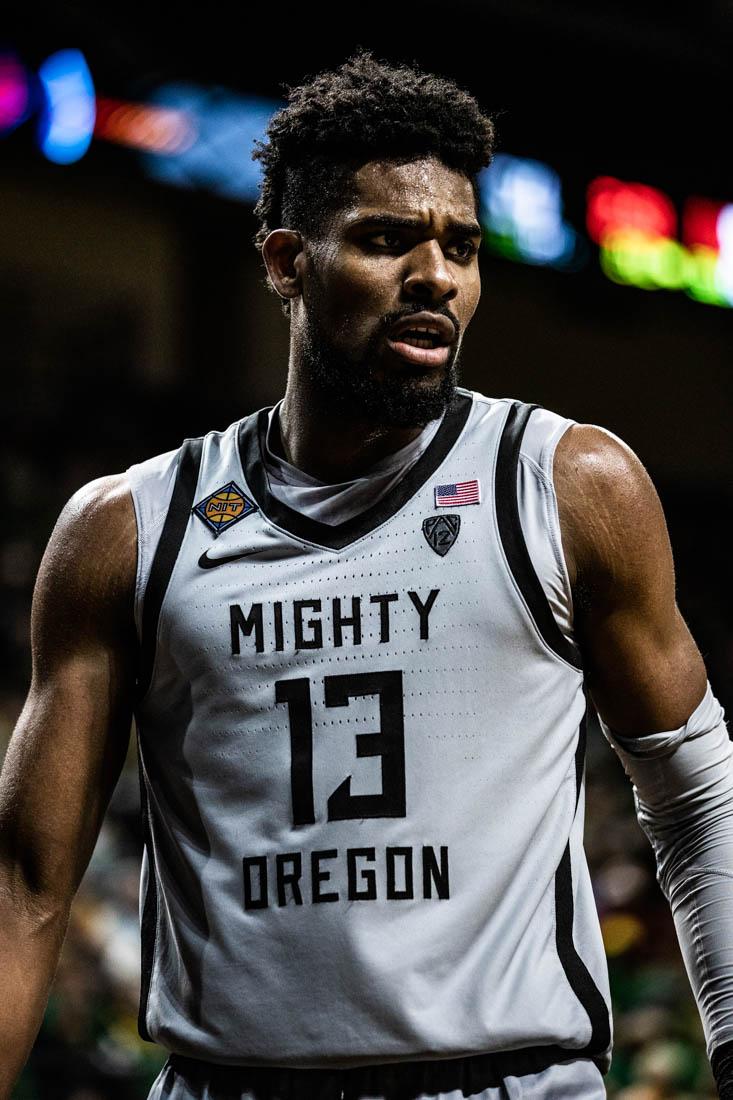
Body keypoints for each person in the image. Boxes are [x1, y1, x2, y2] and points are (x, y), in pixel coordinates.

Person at [1, 50, 732, 1100]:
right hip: (228, 1081)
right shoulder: (128, 528)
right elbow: (26, 878)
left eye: (462, 246)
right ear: (288, 261)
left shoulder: (569, 483)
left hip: (510, 1079)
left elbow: (699, 790)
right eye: (388, 240)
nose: (436, 274)